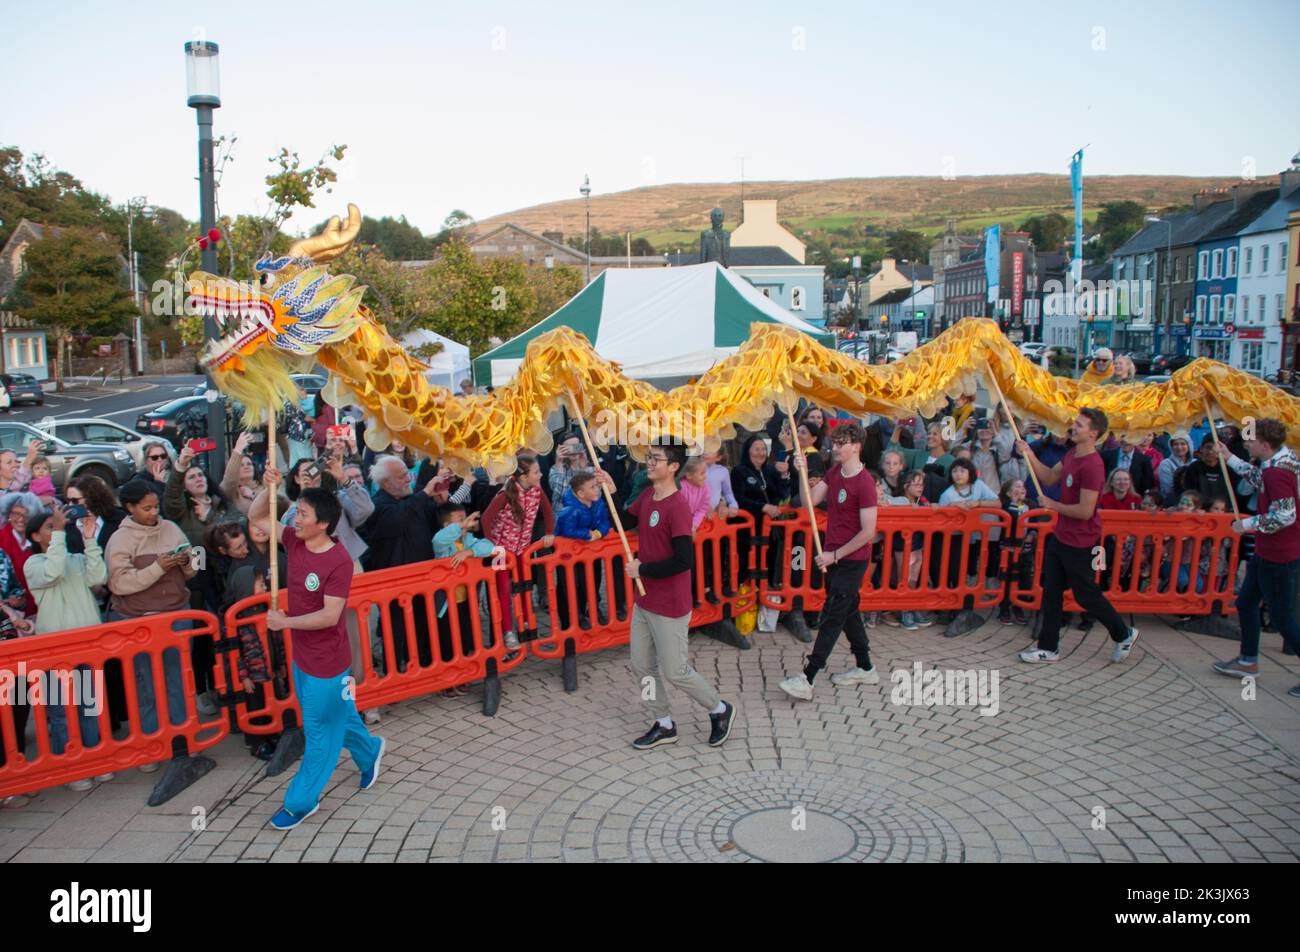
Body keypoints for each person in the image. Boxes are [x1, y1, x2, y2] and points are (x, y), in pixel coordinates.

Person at [251, 473, 385, 831]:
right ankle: (370, 751)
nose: (296, 517)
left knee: (320, 733)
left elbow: (329, 616)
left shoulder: (338, 560)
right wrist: (269, 488)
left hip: (328, 664)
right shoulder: (294, 540)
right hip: (303, 657)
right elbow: (256, 519)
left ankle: (300, 802)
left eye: (303, 514)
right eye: (297, 509)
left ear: (323, 524)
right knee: (341, 716)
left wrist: (285, 623)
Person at [594, 441, 734, 749]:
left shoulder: (678, 506)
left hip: (670, 604)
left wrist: (642, 569)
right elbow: (625, 521)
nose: (650, 462)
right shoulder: (647, 495)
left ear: (673, 467)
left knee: (675, 671)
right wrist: (612, 489)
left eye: (656, 459)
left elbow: (684, 560)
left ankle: (719, 708)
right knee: (641, 666)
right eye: (649, 457)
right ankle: (662, 721)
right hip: (644, 602)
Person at [1015, 407, 1139, 664]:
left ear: (1094, 434)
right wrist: (1029, 454)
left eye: (1080, 425)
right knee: (1051, 590)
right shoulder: (1072, 453)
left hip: (1082, 541)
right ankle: (1048, 648)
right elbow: (1049, 476)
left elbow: (1085, 511)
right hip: (1061, 536)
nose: (1074, 427)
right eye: (1076, 423)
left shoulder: (1093, 465)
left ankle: (1123, 633)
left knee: (1086, 595)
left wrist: (1052, 505)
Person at [779, 422, 880, 699]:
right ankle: (866, 667)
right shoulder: (835, 473)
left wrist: (834, 555)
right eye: (834, 443)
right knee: (848, 612)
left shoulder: (865, 483)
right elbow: (807, 501)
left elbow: (868, 531)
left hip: (851, 558)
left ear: (856, 446)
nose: (835, 448)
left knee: (833, 615)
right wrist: (801, 473)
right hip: (833, 555)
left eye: (841, 443)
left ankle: (808, 677)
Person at [22, 508, 116, 791]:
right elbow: (52, 572)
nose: (57, 530)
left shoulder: (74, 558)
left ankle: (95, 759)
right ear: (35, 536)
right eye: (50, 527)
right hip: (51, 649)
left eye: (58, 526)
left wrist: (89, 541)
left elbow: (98, 577)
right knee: (61, 712)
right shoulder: (33, 565)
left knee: (89, 706)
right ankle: (69, 766)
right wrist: (62, 533)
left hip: (85, 645)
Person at [104, 480, 196, 760]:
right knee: (144, 683)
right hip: (138, 621)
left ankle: (182, 741)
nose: (154, 512)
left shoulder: (171, 528)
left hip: (177, 614)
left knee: (178, 679)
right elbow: (119, 584)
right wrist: (158, 567)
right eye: (146, 508)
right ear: (130, 508)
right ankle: (151, 744)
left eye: (156, 506)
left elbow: (194, 569)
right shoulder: (120, 540)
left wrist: (185, 563)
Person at [1211, 419, 1300, 694]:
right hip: (1269, 551)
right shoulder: (1278, 463)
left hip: (1280, 554)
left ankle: (1249, 659)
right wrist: (1230, 458)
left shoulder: (1278, 472)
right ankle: (1248, 660)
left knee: (1282, 616)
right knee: (1247, 602)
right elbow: (1258, 478)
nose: (1246, 442)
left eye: (1251, 439)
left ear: (1264, 444)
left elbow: (1286, 515)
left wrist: (1247, 525)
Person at [360, 454, 445, 670]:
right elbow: (398, 518)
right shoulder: (377, 505)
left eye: (407, 474)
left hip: (423, 579)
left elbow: (431, 520)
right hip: (393, 585)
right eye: (401, 477)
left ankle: (425, 667)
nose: (408, 479)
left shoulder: (412, 499)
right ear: (386, 483)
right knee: (394, 631)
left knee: (423, 625)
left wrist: (438, 502)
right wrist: (424, 493)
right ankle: (393, 672)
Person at [483, 455, 556, 653]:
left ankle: (527, 624)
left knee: (525, 587)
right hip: (501, 551)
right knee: (504, 590)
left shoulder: (537, 492)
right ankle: (507, 630)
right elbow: (486, 519)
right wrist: (492, 546)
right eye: (536, 472)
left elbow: (548, 512)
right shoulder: (505, 494)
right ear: (523, 477)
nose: (540, 475)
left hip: (522, 548)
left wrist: (549, 533)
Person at [432, 502, 504, 681]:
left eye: (466, 519)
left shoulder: (467, 540)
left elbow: (488, 545)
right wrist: (461, 526)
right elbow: (438, 540)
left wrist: (470, 551)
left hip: (465, 601)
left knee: (465, 639)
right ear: (448, 526)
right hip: (446, 605)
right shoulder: (442, 544)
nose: (467, 524)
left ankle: (463, 675)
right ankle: (449, 681)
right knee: (448, 643)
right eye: (461, 520)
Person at [553, 472, 613, 629]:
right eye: (592, 487)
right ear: (581, 493)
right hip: (569, 557)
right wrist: (587, 535)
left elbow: (605, 521)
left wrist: (599, 532)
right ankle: (570, 620)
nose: (597, 490)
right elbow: (567, 530)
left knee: (592, 581)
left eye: (597, 486)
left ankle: (586, 611)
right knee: (571, 586)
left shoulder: (598, 504)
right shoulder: (570, 511)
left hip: (590, 554)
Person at [0, 493, 43, 615]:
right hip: (9, 615)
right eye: (16, 513)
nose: (20, 519)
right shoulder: (1, 539)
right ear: (8, 513)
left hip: (41, 609)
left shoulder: (42, 539)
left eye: (26, 515)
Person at [220, 432, 263, 516]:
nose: (246, 466)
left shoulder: (263, 486)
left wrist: (253, 495)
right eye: (241, 465)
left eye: (249, 464)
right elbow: (229, 479)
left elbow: (276, 506)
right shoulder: (233, 491)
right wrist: (238, 450)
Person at [549, 434, 591, 509]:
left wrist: (584, 469)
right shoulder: (554, 470)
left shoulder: (590, 470)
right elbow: (563, 493)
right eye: (568, 447)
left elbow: (593, 495)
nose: (573, 450)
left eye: (576, 446)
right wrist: (559, 461)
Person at [1157, 432, 1193, 505]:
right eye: (1176, 444)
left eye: (1183, 444)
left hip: (1193, 502)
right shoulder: (1166, 464)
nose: (1179, 447)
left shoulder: (1195, 463)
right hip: (1173, 502)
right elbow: (1168, 489)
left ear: (1189, 445)